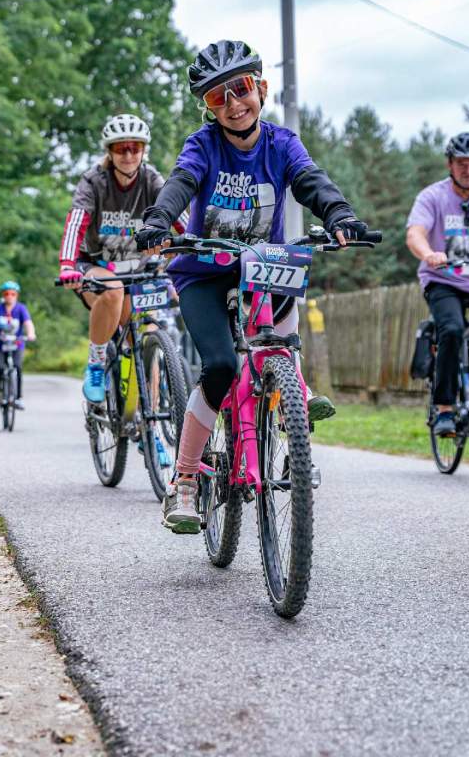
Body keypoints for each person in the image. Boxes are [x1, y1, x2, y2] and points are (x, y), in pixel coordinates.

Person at [136, 39, 368, 534]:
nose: (233, 103)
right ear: (208, 108)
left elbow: (311, 181)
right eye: (218, 97)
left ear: (260, 88)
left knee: (281, 342)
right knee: (220, 366)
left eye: (240, 89)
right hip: (204, 269)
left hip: (263, 265)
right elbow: (181, 182)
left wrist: (340, 213)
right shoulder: (204, 145)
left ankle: (294, 415)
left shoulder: (282, 143)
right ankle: (186, 480)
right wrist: (160, 218)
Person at [57, 114, 187, 405]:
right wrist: (67, 265)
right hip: (93, 266)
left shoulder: (151, 179)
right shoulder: (94, 181)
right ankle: (96, 363)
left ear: (143, 150)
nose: (128, 154)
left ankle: (148, 428)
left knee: (149, 341)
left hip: (136, 274)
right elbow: (76, 220)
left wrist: (196, 250)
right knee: (113, 290)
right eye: (120, 148)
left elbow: (179, 218)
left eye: (134, 147)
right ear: (109, 152)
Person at [406, 132, 469, 438]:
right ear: (449, 164)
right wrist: (429, 253)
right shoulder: (432, 197)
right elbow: (415, 233)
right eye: (462, 163)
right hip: (443, 280)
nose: (468, 170)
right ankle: (445, 408)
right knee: (453, 329)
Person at [0, 281, 36, 410]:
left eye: (13, 294)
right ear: (3, 295)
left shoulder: (21, 308)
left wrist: (31, 333)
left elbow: (28, 322)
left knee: (17, 367)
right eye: (7, 294)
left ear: (16, 295)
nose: (9, 296)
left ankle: (18, 398)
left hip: (16, 344)